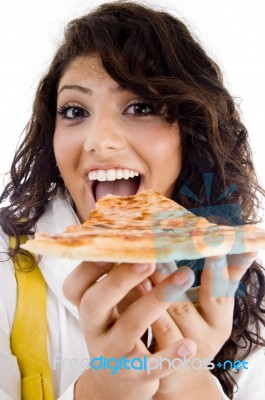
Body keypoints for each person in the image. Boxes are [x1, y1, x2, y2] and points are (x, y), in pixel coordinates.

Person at [0, 1, 264, 399]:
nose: (99, 140)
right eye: (74, 110)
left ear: (190, 132)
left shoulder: (241, 291)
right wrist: (100, 391)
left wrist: (189, 384)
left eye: (140, 107)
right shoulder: (7, 266)